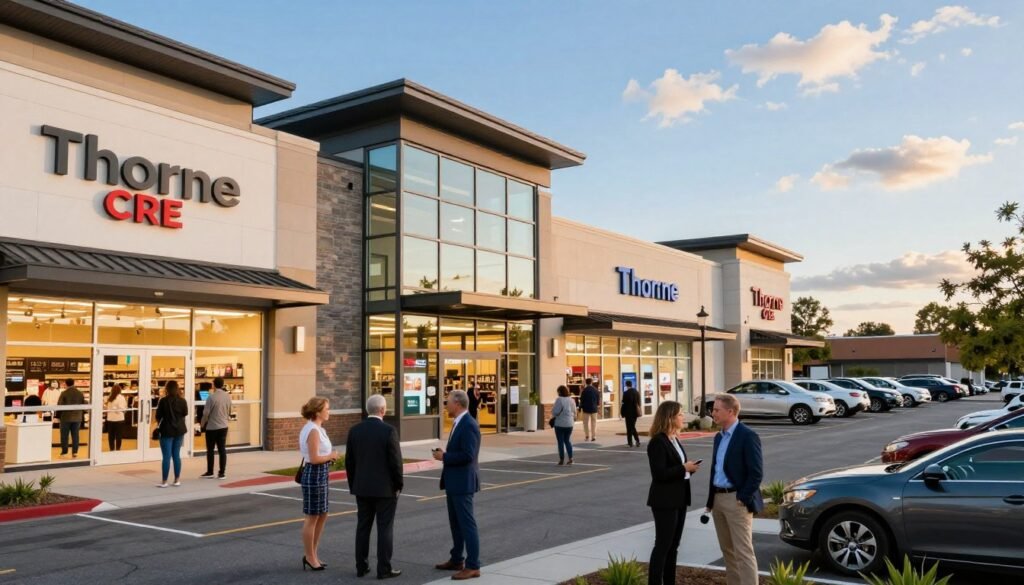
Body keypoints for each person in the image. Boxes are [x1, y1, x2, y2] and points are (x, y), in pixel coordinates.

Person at [705, 394, 763, 585]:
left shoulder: (748, 436)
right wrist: (710, 502)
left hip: (736, 500)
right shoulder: (718, 437)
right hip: (719, 500)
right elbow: (716, 469)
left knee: (743, 552)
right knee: (727, 552)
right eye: (713, 410)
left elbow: (756, 473)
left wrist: (742, 497)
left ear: (730, 411)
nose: (713, 413)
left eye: (716, 410)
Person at [346, 394, 404, 579]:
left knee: (363, 527)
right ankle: (384, 569)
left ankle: (361, 567)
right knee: (384, 528)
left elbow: (350, 462)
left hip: (362, 487)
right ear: (383, 410)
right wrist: (398, 485)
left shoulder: (355, 430)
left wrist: (354, 484)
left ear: (367, 410)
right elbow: (396, 462)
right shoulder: (389, 431)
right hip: (385, 489)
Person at [646, 401, 701, 585]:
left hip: (680, 498)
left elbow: (676, 469)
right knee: (663, 545)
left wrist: (688, 469)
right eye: (679, 414)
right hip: (664, 501)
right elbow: (659, 474)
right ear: (669, 417)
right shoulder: (657, 442)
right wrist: (683, 468)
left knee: (674, 547)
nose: (683, 417)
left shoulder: (674, 439)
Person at [432, 389, 482, 580]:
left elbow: (468, 455)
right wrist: (446, 454)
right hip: (454, 482)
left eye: (448, 402)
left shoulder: (468, 424)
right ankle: (456, 559)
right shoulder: (458, 422)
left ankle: (473, 565)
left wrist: (444, 456)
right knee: (456, 524)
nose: (446, 405)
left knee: (467, 524)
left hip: (463, 483)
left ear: (458, 404)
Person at [299, 396, 340, 571]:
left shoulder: (318, 429)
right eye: (327, 409)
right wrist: (331, 456)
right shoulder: (312, 430)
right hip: (314, 475)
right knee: (312, 517)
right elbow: (314, 458)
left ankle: (314, 554)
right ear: (317, 412)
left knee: (322, 514)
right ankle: (309, 556)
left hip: (322, 474)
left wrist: (328, 458)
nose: (329, 411)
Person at [155, 381, 188, 487]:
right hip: (179, 430)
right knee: (176, 455)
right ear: (177, 388)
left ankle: (164, 481)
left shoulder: (163, 401)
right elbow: (184, 413)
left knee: (166, 456)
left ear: (167, 389)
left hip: (166, 430)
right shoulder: (183, 401)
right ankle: (177, 479)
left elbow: (158, 416)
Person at [200, 377, 231, 480]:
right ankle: (222, 473)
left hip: (212, 427)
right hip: (223, 426)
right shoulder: (227, 396)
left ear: (214, 385)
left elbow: (206, 413)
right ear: (222, 384)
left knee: (210, 450)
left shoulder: (211, 397)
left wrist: (202, 423)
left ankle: (210, 472)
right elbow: (229, 410)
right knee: (222, 449)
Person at [57, 378, 86, 459]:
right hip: (77, 417)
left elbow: (59, 405)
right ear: (74, 383)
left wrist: (58, 416)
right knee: (75, 435)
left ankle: (64, 452)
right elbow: (84, 404)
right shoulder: (80, 393)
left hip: (66, 417)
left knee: (64, 435)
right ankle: (75, 452)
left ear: (66, 384)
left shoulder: (64, 393)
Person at [552, 385, 577, 465]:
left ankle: (561, 459)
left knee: (560, 442)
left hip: (560, 423)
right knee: (567, 440)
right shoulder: (571, 400)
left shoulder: (559, 400)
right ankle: (571, 458)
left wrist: (555, 414)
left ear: (559, 392)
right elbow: (574, 411)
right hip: (569, 423)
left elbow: (555, 412)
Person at [105, 383, 128, 451]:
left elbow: (107, 408)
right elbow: (123, 408)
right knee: (119, 435)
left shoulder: (110, 397)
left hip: (110, 419)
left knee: (111, 436)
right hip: (119, 419)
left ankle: (111, 448)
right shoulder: (121, 398)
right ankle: (118, 448)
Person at [621, 380, 642, 448]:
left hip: (628, 412)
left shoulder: (626, 393)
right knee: (631, 426)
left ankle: (635, 441)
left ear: (626, 385)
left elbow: (624, 403)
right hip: (635, 412)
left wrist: (622, 413)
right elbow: (639, 403)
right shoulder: (636, 392)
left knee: (630, 427)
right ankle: (631, 442)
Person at [579, 378, 601, 442]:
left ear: (586, 383)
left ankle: (587, 436)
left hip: (586, 409)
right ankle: (593, 436)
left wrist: (580, 408)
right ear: (591, 382)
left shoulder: (584, 391)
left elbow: (582, 400)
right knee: (594, 423)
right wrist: (597, 405)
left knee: (585, 423)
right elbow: (598, 400)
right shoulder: (596, 390)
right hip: (594, 409)